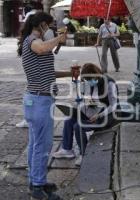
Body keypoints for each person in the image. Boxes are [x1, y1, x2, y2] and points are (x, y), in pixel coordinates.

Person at [18, 11, 71, 200]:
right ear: (40, 25)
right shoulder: (33, 41)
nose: (50, 29)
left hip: (35, 99)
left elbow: (47, 71)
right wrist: (59, 38)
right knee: (43, 145)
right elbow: (41, 49)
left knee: (35, 144)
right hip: (40, 101)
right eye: (48, 25)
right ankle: (38, 187)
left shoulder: (32, 42)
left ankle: (35, 181)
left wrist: (69, 73)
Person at [52, 63, 120, 166]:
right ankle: (67, 150)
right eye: (86, 80)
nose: (88, 82)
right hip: (93, 112)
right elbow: (89, 99)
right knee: (69, 120)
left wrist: (99, 115)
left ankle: (84, 155)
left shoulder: (109, 83)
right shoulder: (91, 83)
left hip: (107, 116)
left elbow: (113, 105)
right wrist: (80, 106)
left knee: (78, 126)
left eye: (89, 79)